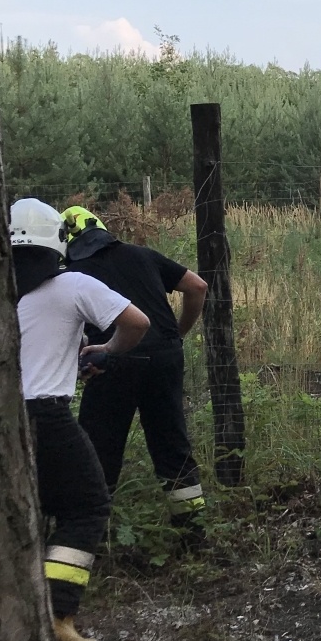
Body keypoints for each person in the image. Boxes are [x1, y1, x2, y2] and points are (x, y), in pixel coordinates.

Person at [10, 197, 150, 641]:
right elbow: (136, 323)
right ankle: (58, 620)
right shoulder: (71, 284)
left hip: (3, 421)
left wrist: (73, 357)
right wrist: (107, 350)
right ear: (57, 244)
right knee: (87, 506)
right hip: (47, 418)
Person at [59, 206, 210, 538]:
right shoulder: (142, 254)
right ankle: (193, 535)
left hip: (112, 360)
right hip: (165, 357)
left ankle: (91, 536)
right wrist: (176, 334)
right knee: (172, 444)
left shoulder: (73, 273)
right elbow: (198, 287)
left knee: (99, 449)